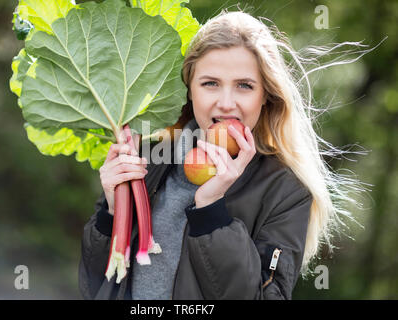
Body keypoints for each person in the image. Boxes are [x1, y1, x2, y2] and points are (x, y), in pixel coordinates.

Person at [78, 10, 361, 300]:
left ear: (266, 95)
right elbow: (94, 288)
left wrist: (211, 212)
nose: (226, 104)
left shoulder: (286, 191)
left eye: (244, 86)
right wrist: (110, 214)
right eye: (210, 83)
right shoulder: (146, 158)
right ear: (190, 90)